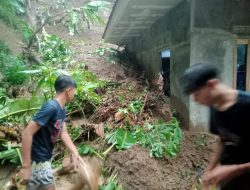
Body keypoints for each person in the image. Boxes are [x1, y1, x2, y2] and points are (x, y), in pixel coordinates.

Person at [181, 63, 250, 190]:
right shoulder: (214, 107)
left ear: (212, 84)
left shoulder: (247, 106)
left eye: (196, 94)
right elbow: (223, 139)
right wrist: (210, 169)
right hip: (229, 178)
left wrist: (234, 170)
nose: (195, 100)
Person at [20, 74, 80, 190]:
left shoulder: (62, 109)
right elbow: (27, 133)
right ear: (69, 90)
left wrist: (74, 151)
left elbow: (63, 133)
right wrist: (26, 167)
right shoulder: (51, 107)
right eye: (74, 92)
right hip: (39, 159)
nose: (74, 95)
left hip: (45, 158)